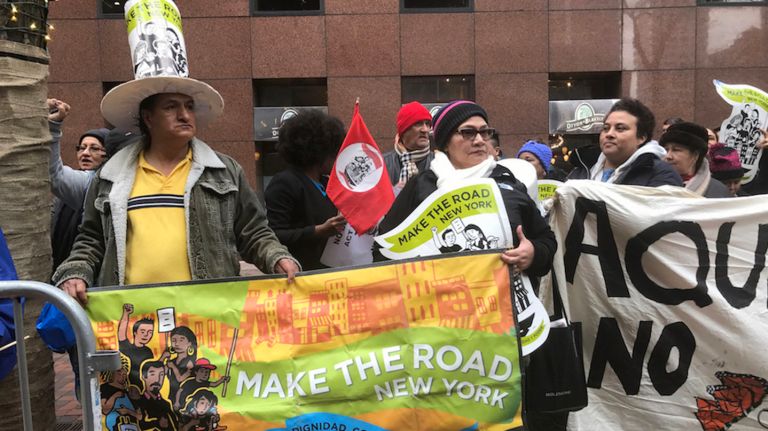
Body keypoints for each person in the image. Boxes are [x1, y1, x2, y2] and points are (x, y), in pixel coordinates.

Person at [52, 74, 299, 303]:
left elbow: (253, 231)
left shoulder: (225, 170)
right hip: (133, 319)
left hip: (208, 314)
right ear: (148, 117)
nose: (185, 115)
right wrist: (76, 270)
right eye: (171, 107)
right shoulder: (110, 175)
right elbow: (91, 238)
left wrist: (277, 256)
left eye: (189, 107)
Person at [377, 100, 556, 278]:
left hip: (504, 302)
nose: (479, 141)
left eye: (484, 132)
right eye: (467, 132)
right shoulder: (422, 186)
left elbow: (546, 239)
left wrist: (533, 254)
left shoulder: (507, 181)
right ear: (445, 142)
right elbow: (384, 247)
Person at [264, 110, 346, 270]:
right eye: (334, 152)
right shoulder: (284, 183)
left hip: (330, 271)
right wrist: (317, 231)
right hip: (300, 275)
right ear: (320, 152)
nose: (337, 158)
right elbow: (274, 235)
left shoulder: (325, 182)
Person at [568, 98, 683, 187]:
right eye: (606, 128)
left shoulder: (661, 174)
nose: (609, 134)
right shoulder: (580, 170)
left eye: (620, 128)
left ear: (642, 137)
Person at [660, 122, 730, 198]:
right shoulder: (650, 184)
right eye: (666, 150)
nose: (668, 156)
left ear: (695, 155)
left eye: (676, 150)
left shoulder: (718, 192)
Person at [383, 101, 434, 187]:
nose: (425, 130)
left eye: (428, 124)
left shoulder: (439, 163)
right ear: (404, 131)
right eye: (418, 124)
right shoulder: (383, 164)